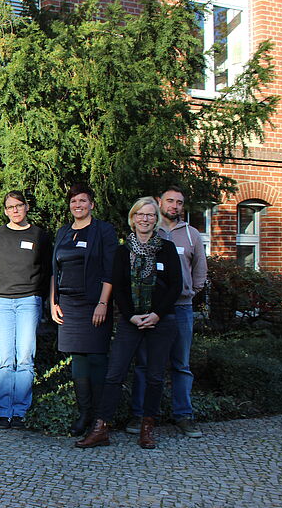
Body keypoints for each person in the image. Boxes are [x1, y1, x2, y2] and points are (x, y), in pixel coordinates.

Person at [76, 197, 182, 450]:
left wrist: (156, 313)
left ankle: (147, 428)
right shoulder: (123, 252)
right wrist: (131, 315)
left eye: (150, 215)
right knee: (115, 374)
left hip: (161, 321)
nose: (145, 219)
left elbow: (176, 286)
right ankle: (101, 428)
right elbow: (119, 288)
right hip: (130, 320)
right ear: (133, 218)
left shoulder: (166, 249)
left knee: (155, 377)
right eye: (140, 215)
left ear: (156, 220)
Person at [127, 185, 207, 438]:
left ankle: (183, 415)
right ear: (160, 202)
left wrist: (190, 292)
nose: (174, 206)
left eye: (179, 202)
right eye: (170, 201)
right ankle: (140, 414)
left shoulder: (191, 235)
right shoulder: (150, 229)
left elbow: (200, 270)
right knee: (144, 363)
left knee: (181, 364)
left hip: (181, 308)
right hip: (149, 308)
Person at [51, 183, 117, 437]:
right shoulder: (64, 232)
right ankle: (84, 413)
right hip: (69, 304)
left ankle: (101, 419)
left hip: (94, 303)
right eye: (73, 202)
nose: (77, 205)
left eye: (82, 201)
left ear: (91, 204)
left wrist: (103, 303)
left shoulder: (103, 231)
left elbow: (111, 269)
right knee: (77, 360)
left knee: (97, 359)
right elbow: (55, 269)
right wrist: (53, 301)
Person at [0, 192, 51, 429]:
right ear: (5, 210)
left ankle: (20, 412)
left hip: (28, 301)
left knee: (24, 358)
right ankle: (4, 412)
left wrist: (38, 295)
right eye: (10, 207)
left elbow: (46, 269)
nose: (15, 210)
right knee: (5, 359)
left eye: (19, 206)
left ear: (27, 207)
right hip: (2, 301)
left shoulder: (39, 235)